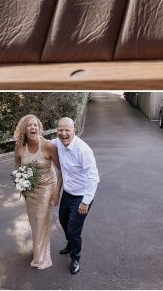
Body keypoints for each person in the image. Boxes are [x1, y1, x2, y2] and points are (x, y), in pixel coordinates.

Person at [13, 115, 61, 270]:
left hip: (48, 186)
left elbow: (62, 170)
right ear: (24, 130)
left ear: (39, 128)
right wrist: (22, 187)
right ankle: (38, 247)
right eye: (29, 126)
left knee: (41, 220)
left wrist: (57, 193)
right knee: (34, 221)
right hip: (30, 190)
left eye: (35, 125)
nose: (33, 128)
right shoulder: (20, 147)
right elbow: (18, 168)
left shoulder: (48, 146)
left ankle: (41, 257)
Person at [52, 117, 99, 275]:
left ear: (74, 130)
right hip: (68, 192)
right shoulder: (57, 142)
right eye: (60, 130)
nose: (63, 133)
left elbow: (93, 178)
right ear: (56, 130)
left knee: (73, 229)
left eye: (67, 130)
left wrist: (85, 202)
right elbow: (42, 143)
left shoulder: (83, 150)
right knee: (63, 221)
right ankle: (71, 244)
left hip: (82, 196)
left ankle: (75, 257)